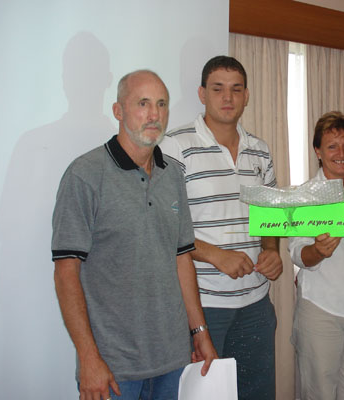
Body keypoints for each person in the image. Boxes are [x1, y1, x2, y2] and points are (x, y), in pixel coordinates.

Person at [51, 70, 217, 400]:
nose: (154, 114)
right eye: (143, 103)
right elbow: (66, 272)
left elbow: (182, 258)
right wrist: (88, 357)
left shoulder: (173, 176)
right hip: (113, 369)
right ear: (118, 111)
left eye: (161, 104)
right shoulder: (85, 175)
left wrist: (199, 332)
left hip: (173, 360)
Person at [160, 56, 283, 400]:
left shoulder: (260, 150)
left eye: (236, 89)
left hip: (257, 302)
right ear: (202, 93)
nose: (227, 97)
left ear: (246, 96)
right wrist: (215, 255)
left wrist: (272, 250)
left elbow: (270, 215)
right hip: (204, 304)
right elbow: (163, 224)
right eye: (218, 89)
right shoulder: (175, 146)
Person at [288, 111, 344, 400]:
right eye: (332, 146)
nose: (341, 153)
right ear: (317, 151)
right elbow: (297, 253)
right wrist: (317, 251)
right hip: (322, 309)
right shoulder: (304, 197)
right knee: (320, 393)